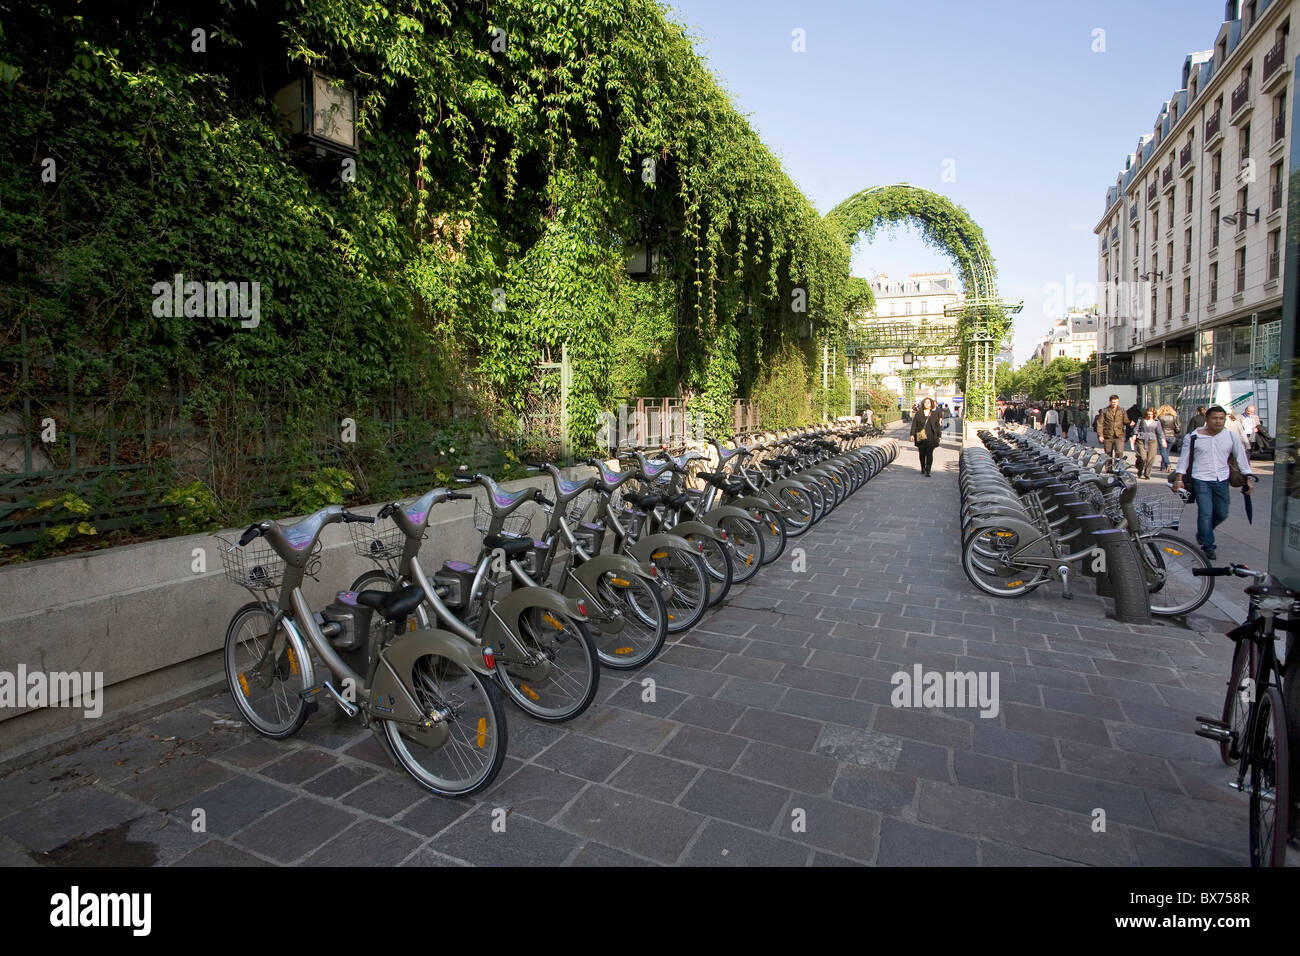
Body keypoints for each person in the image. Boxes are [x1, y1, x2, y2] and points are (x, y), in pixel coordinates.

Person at [1171, 405, 1256, 561]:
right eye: (1215, 418)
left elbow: (1241, 459)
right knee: (1205, 512)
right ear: (1207, 419)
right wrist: (1179, 479)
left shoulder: (1231, 437)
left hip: (1221, 479)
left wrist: (1248, 478)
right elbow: (1184, 459)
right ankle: (1208, 545)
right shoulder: (1193, 437)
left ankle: (1204, 532)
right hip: (1200, 479)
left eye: (1221, 418)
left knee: (1222, 513)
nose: (1218, 421)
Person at [910, 396, 943, 477]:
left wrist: (939, 435)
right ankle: (923, 468)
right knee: (921, 453)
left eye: (928, 402)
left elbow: (937, 426)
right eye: (925, 402)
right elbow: (914, 424)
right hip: (921, 435)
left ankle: (928, 470)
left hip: (931, 436)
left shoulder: (934, 414)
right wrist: (912, 434)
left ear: (931, 404)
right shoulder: (919, 413)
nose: (926, 404)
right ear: (923, 404)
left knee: (929, 453)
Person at [1133, 407, 1165, 480]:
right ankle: (1139, 469)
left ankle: (1147, 474)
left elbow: (1160, 432)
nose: (1150, 416)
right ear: (1146, 414)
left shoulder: (1156, 421)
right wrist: (1134, 435)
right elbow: (1136, 428)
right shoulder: (1141, 420)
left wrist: (1163, 440)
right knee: (1142, 457)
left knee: (1151, 458)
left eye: (1152, 414)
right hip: (1141, 439)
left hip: (1152, 440)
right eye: (1148, 414)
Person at [1099, 394, 1129, 469]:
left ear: (1118, 402)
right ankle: (1109, 469)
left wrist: (1130, 423)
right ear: (1110, 402)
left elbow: (1126, 421)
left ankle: (1116, 467)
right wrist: (1100, 435)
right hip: (1108, 435)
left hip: (1119, 435)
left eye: (1116, 402)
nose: (1114, 403)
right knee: (1108, 453)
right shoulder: (1104, 411)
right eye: (1113, 402)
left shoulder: (1122, 411)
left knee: (1119, 452)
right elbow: (1100, 423)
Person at [1156, 403, 1180, 472]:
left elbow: (1157, 427)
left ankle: (1167, 464)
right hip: (1172, 435)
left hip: (1162, 435)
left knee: (1163, 452)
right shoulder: (1174, 416)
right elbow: (1178, 427)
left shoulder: (1159, 417)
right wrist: (1176, 432)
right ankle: (1163, 467)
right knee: (1167, 452)